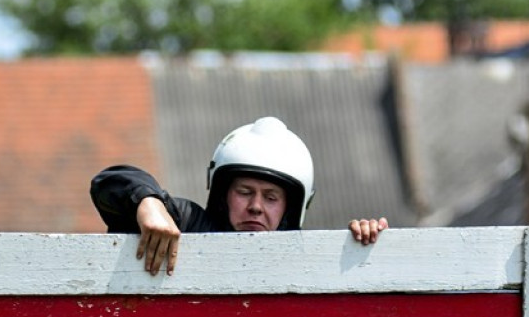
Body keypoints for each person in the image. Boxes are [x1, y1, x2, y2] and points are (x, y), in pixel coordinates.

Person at [90, 116, 388, 276]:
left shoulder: (307, 262)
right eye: (244, 192)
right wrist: (149, 203)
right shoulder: (189, 224)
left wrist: (363, 244)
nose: (256, 207)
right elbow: (110, 182)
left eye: (271, 197)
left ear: (291, 207)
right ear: (223, 194)